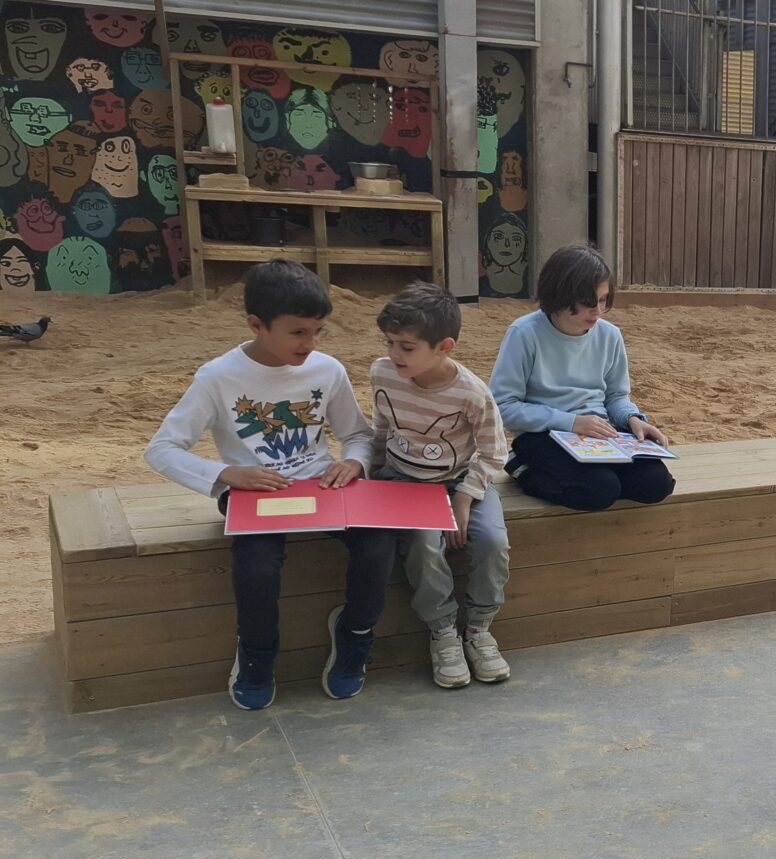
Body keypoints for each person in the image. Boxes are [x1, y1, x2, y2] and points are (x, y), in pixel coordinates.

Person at [144, 260, 401, 710]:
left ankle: (355, 635)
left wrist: (354, 463)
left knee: (380, 542)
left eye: (318, 331)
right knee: (258, 565)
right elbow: (162, 449)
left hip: (323, 487)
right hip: (255, 495)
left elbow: (358, 435)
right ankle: (257, 654)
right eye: (298, 332)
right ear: (256, 325)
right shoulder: (217, 377)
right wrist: (226, 475)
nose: (310, 343)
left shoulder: (327, 370)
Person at [370, 284, 514, 689]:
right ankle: (443, 630)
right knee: (422, 543)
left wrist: (464, 499)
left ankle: (479, 629)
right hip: (403, 480)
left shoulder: (472, 393)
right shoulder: (382, 372)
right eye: (389, 343)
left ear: (444, 347)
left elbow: (494, 453)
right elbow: (381, 429)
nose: (395, 354)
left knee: (492, 542)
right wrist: (370, 475)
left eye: (406, 347)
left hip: (461, 480)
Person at [492, 244, 676, 511]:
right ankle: (521, 467)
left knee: (656, 484)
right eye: (589, 302)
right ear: (560, 295)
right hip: (543, 434)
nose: (598, 311)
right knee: (600, 489)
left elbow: (616, 396)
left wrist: (632, 419)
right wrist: (571, 422)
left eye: (603, 300)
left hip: (599, 433)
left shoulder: (610, 335)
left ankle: (594, 478)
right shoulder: (524, 333)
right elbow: (502, 406)